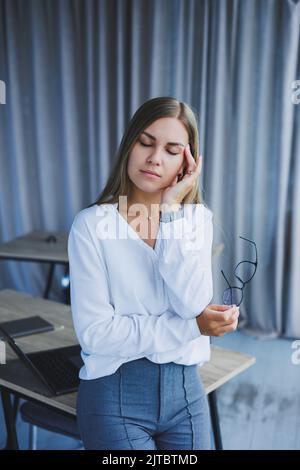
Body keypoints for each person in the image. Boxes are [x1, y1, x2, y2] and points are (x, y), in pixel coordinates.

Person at [68, 96, 239, 450]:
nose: (154, 158)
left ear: (187, 162)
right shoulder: (91, 226)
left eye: (172, 149)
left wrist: (173, 211)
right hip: (114, 392)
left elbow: (193, 303)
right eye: (145, 143)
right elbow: (97, 335)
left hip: (186, 390)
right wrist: (192, 328)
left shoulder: (196, 220)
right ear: (129, 145)